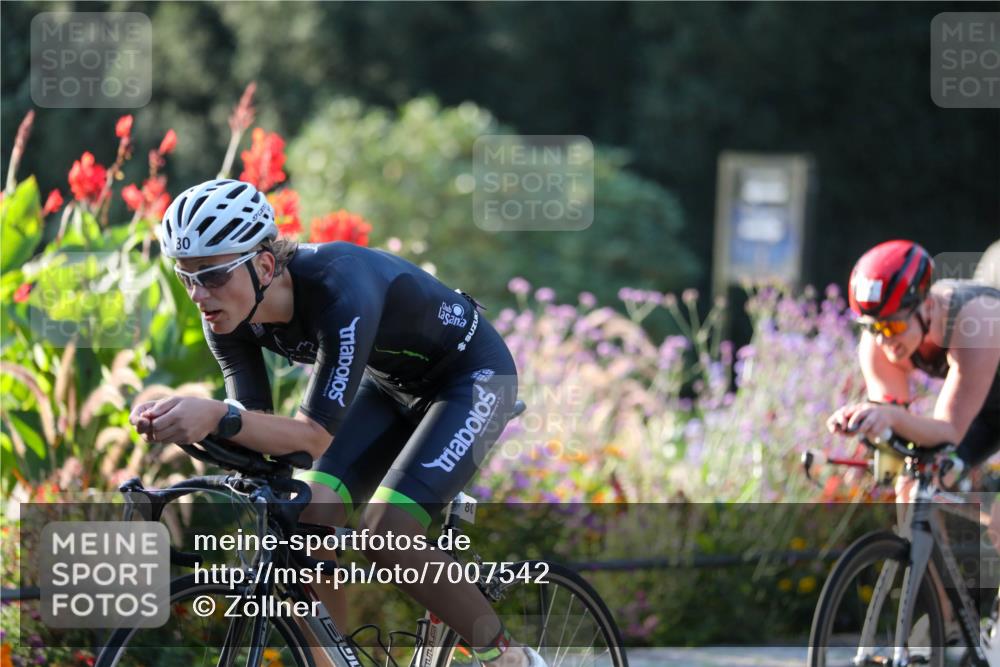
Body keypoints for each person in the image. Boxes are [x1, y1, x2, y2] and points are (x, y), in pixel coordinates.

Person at [128, 178, 545, 667]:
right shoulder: (226, 314)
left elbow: (310, 436)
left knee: (386, 530)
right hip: (392, 383)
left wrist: (218, 415)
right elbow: (258, 429)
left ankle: (506, 656)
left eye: (213, 274)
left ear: (264, 264)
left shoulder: (337, 286)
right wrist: (196, 426)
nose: (199, 294)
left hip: (473, 377)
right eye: (187, 277)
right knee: (310, 515)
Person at [827, 239, 1000, 485]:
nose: (884, 339)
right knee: (915, 481)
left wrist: (890, 416)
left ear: (928, 306)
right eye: (872, 327)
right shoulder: (876, 343)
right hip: (986, 411)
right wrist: (865, 421)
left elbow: (948, 431)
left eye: (894, 325)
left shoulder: (975, 321)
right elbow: (898, 431)